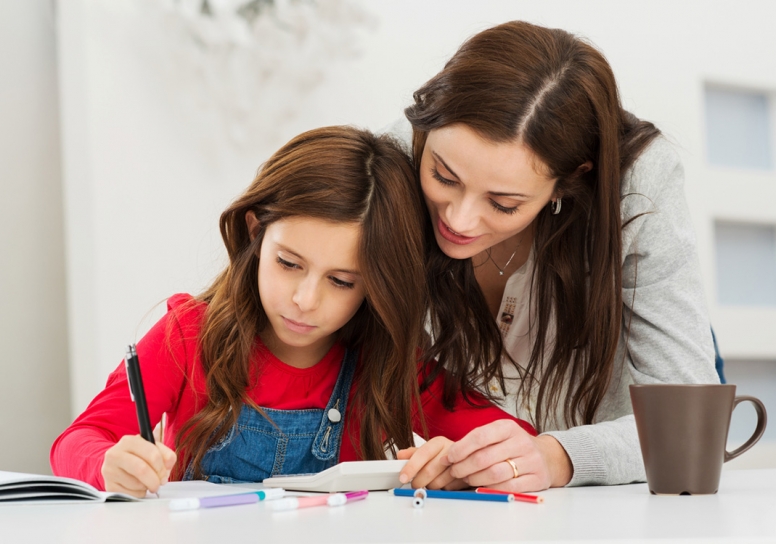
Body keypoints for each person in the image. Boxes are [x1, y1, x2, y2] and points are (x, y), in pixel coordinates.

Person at [50, 126, 535, 497]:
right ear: (256, 232)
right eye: (288, 263)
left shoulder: (389, 362)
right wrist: (110, 464)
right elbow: (78, 440)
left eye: (342, 281)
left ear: (378, 287)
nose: (305, 299)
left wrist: (459, 463)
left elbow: (517, 445)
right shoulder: (188, 335)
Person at [394, 21, 720, 491]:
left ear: (569, 180)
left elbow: (689, 427)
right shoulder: (393, 159)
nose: (460, 221)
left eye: (504, 203)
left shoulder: (637, 184)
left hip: (649, 359)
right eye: (444, 177)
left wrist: (555, 456)